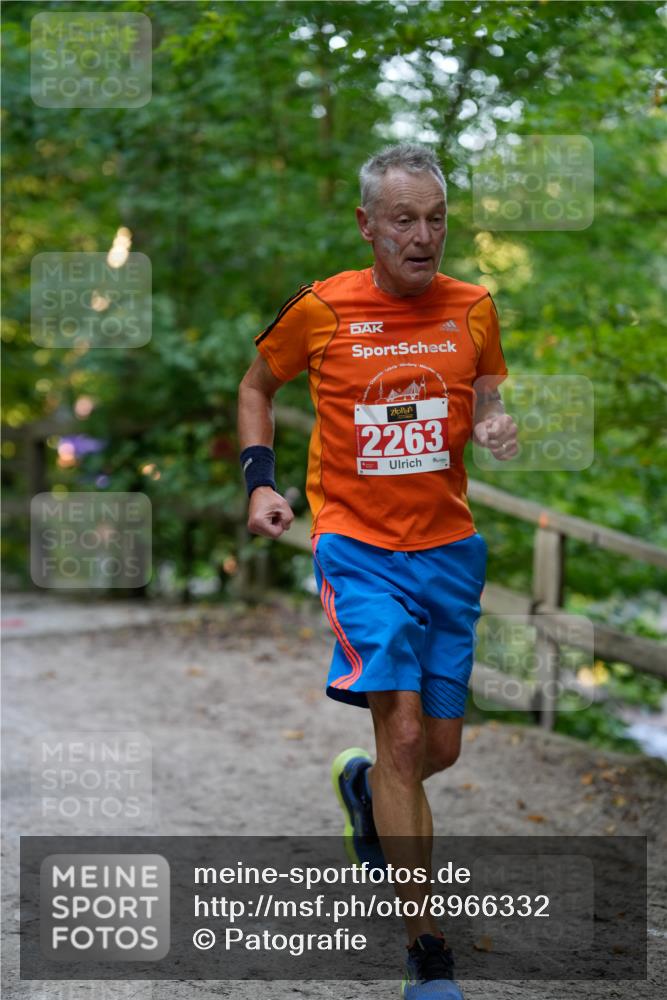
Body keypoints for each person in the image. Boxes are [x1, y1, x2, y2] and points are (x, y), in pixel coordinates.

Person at [237, 143, 518, 999]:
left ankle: (365, 792)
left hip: (448, 554)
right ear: (367, 224)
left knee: (436, 748)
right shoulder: (321, 309)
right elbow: (256, 386)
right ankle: (426, 953)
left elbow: (490, 391)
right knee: (399, 733)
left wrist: (496, 422)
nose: (422, 235)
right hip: (356, 549)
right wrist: (261, 485)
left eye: (435, 218)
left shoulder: (473, 307)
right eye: (403, 219)